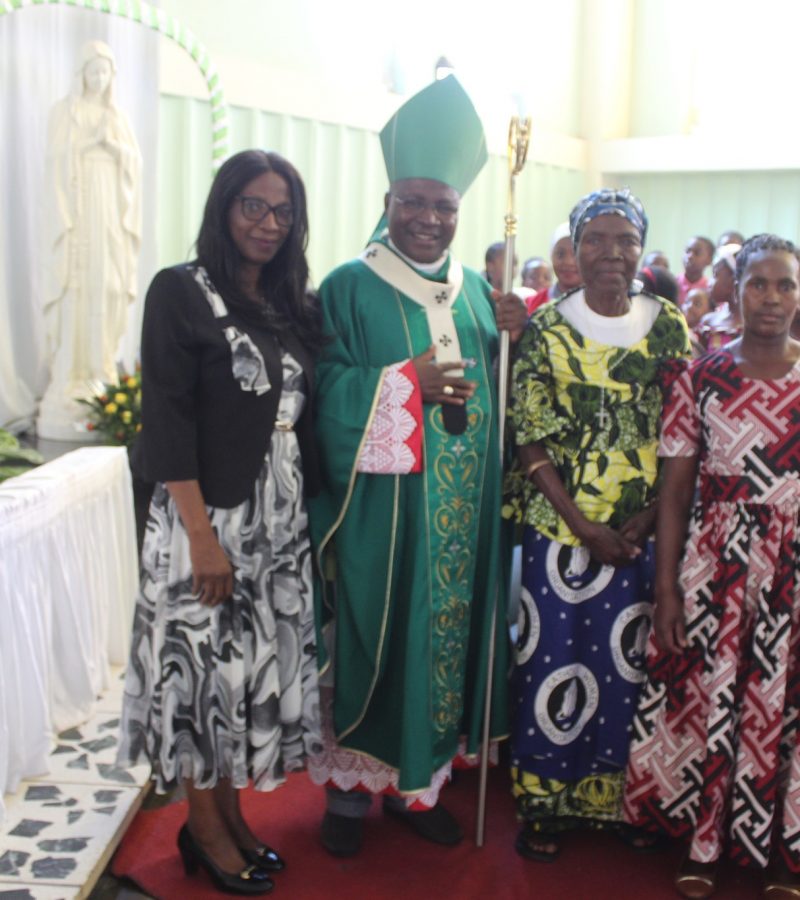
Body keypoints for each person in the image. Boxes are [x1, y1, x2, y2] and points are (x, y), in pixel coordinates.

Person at [309, 75, 525, 857]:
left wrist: (514, 335)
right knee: (370, 640)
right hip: (383, 516)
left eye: (446, 206)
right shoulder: (348, 287)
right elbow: (321, 397)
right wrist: (402, 387)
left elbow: (500, 400)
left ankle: (416, 788)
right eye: (416, 201)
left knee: (443, 644)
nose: (431, 220)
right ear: (389, 198)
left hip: (460, 523)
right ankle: (344, 799)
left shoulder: (478, 292)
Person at [117, 150, 323, 895]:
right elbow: (166, 418)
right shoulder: (180, 291)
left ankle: (228, 817)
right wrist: (201, 537)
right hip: (205, 517)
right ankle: (202, 829)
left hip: (277, 521)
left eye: (282, 211)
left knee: (238, 679)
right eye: (252, 207)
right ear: (223, 208)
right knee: (200, 675)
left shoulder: (287, 297)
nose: (268, 223)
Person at [505, 188, 690, 863]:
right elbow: (531, 437)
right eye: (597, 239)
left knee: (630, 666)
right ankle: (546, 802)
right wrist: (583, 525)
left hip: (643, 534)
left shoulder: (669, 324)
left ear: (642, 246)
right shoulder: (548, 327)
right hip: (560, 532)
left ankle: (620, 800)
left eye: (626, 240)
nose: (612, 253)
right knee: (551, 658)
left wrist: (642, 519)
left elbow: (682, 433)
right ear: (576, 247)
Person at [623, 234, 800, 900]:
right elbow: (674, 489)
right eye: (759, 283)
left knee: (784, 707)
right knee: (712, 698)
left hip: (792, 566)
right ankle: (703, 840)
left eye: (786, 285)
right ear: (735, 287)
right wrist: (666, 587)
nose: (773, 298)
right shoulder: (702, 376)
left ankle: (784, 849)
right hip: (718, 563)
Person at [39, 39, 142, 439]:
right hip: (78, 210)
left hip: (109, 211)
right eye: (92, 71)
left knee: (109, 286)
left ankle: (100, 371)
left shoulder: (117, 117)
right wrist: (87, 144)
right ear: (80, 74)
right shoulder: (65, 112)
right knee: (76, 291)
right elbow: (54, 160)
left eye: (105, 72)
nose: (98, 79)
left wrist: (114, 147)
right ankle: (69, 376)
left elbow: (133, 162)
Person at [525, 221, 582, 315]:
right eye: (560, 254)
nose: (568, 262)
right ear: (551, 256)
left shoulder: (601, 304)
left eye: (575, 254)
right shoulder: (532, 304)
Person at [696, 242, 742, 352]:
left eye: (715, 275)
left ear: (734, 281)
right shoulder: (708, 322)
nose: (709, 282)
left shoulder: (752, 326)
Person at [677, 236, 714, 306]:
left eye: (697, 253)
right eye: (687, 251)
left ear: (709, 260)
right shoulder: (673, 284)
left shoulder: (710, 290)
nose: (690, 256)